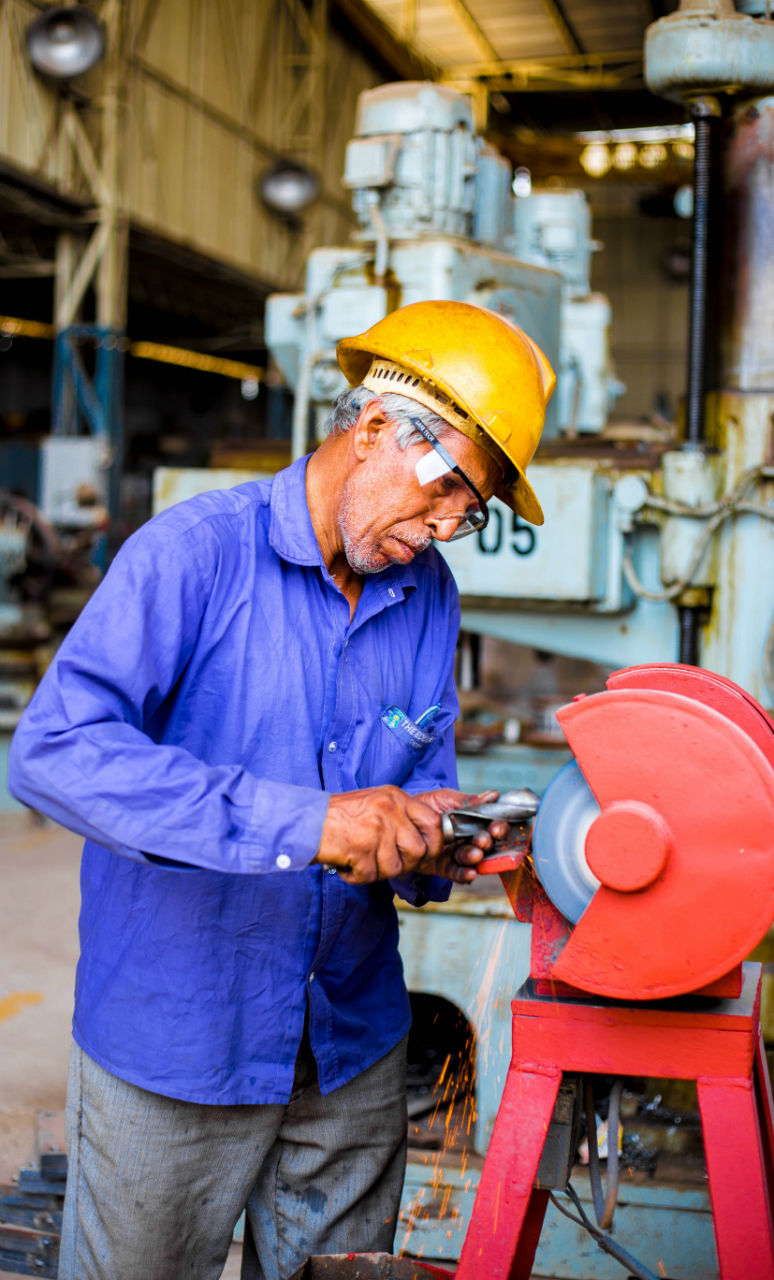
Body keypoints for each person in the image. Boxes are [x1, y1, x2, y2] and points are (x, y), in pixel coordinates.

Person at [8, 299, 554, 1280]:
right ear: (376, 426)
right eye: (447, 487)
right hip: (179, 1042)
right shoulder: (192, 554)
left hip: (351, 1044)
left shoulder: (427, 593)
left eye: (471, 512)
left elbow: (420, 775)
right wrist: (307, 820)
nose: (445, 524)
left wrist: (444, 839)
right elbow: (56, 750)